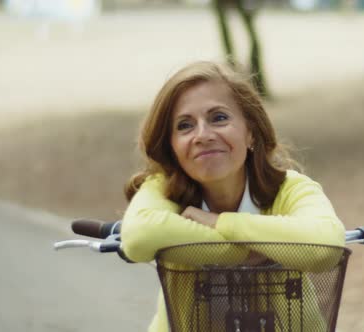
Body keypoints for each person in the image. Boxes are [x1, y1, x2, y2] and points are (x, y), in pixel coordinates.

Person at [120, 61, 345, 332]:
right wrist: (244, 250)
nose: (202, 135)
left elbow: (325, 248)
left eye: (219, 118)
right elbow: (139, 237)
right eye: (185, 125)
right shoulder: (164, 189)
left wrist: (219, 222)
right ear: (172, 146)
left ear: (250, 131)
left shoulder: (290, 189)